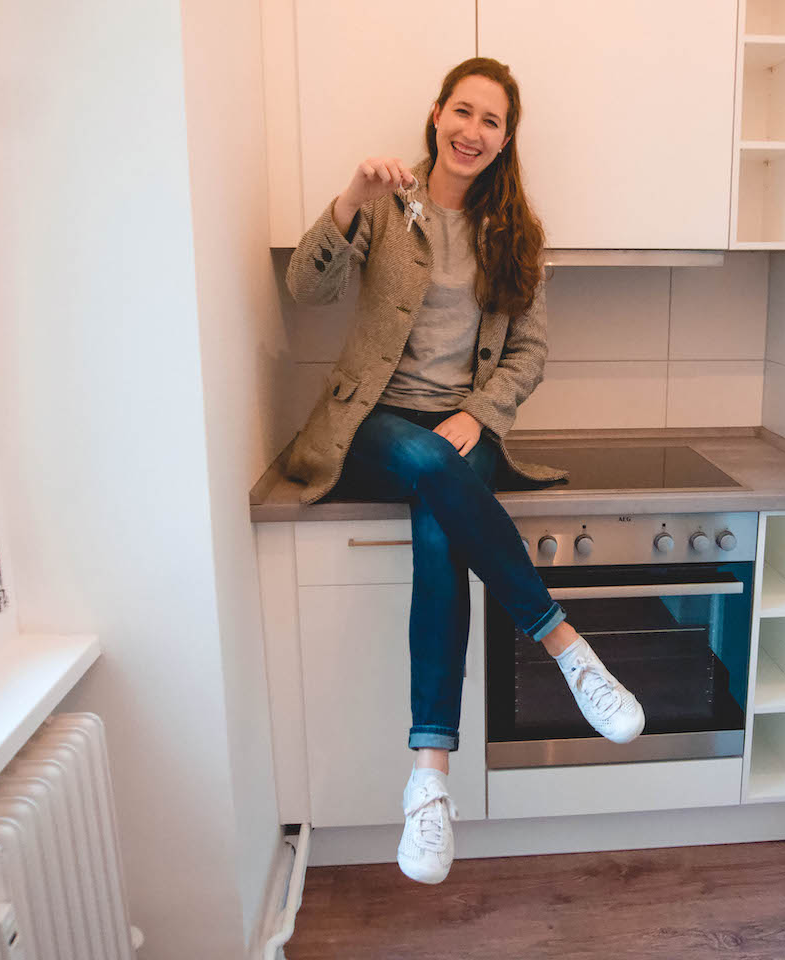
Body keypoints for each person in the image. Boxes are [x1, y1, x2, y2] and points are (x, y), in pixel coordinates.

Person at [283, 57, 645, 885]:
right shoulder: (385, 206)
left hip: (465, 427)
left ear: (505, 139)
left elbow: (530, 352)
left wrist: (477, 414)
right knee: (423, 463)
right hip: (375, 424)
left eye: (491, 120)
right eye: (463, 111)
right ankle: (566, 645)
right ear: (437, 114)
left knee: (440, 526)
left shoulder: (516, 231)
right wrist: (347, 200)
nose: (473, 131)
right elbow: (306, 287)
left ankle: (427, 780)